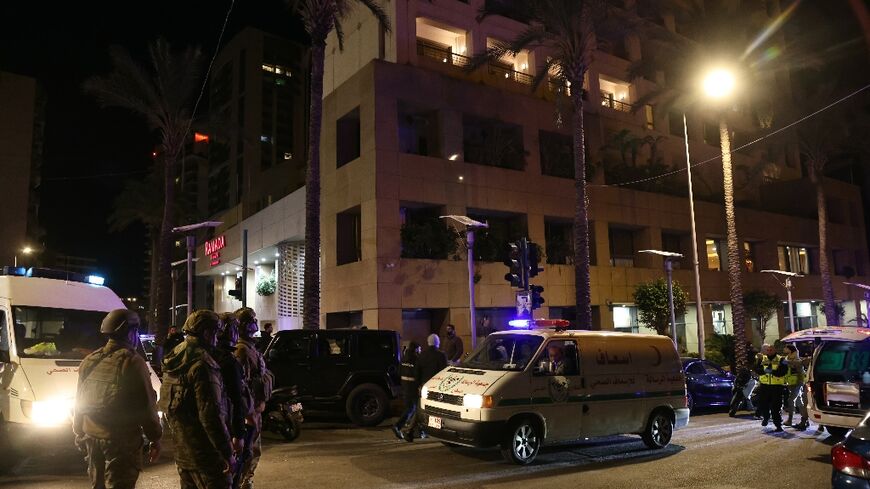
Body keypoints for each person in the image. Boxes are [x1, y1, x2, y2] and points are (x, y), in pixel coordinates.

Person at [73, 309, 162, 489]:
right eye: (136, 331)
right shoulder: (132, 362)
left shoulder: (90, 359)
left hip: (91, 437)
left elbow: (79, 401)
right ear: (130, 333)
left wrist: (78, 431)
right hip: (120, 442)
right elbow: (146, 407)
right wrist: (155, 438)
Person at [160, 310, 235, 489]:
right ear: (207, 333)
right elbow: (211, 416)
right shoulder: (203, 365)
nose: (217, 338)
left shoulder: (175, 357)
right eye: (216, 333)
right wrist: (226, 452)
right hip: (206, 455)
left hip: (183, 451)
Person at [234, 307, 272, 489]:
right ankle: (244, 482)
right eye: (251, 321)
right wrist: (248, 412)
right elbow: (242, 385)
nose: (255, 324)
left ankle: (246, 480)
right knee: (248, 452)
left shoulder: (250, 348)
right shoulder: (242, 350)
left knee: (252, 451)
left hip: (254, 409)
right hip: (249, 413)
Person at [216, 313, 253, 463]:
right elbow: (236, 398)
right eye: (234, 328)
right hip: (225, 423)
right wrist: (239, 434)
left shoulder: (209, 355)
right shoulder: (228, 360)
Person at [405, 334, 448, 442]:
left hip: (424, 386)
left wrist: (419, 386)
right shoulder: (441, 355)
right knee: (441, 409)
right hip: (438, 387)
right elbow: (444, 373)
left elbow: (417, 372)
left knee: (421, 409)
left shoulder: (422, 355)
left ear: (428, 342)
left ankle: (410, 431)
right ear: (438, 343)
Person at [753, 343, 789, 432]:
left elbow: (784, 371)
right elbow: (756, 369)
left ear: (775, 350)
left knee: (776, 407)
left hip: (776, 387)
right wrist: (764, 371)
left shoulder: (782, 359)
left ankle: (778, 425)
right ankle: (766, 418)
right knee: (763, 405)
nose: (769, 351)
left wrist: (772, 372)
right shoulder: (762, 359)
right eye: (768, 350)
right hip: (764, 386)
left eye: (771, 350)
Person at [393, 341, 421, 441]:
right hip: (412, 386)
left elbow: (399, 371)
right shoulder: (416, 359)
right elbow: (418, 374)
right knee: (412, 408)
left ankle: (412, 429)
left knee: (410, 407)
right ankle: (398, 426)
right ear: (416, 349)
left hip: (404, 385)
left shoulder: (404, 357)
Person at [783, 344, 810, 430]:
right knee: (799, 402)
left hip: (797, 383)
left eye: (786, 348)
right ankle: (805, 420)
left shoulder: (796, 360)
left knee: (791, 400)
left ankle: (790, 420)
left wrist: (800, 383)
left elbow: (800, 373)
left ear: (790, 350)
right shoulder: (787, 359)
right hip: (791, 383)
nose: (784, 349)